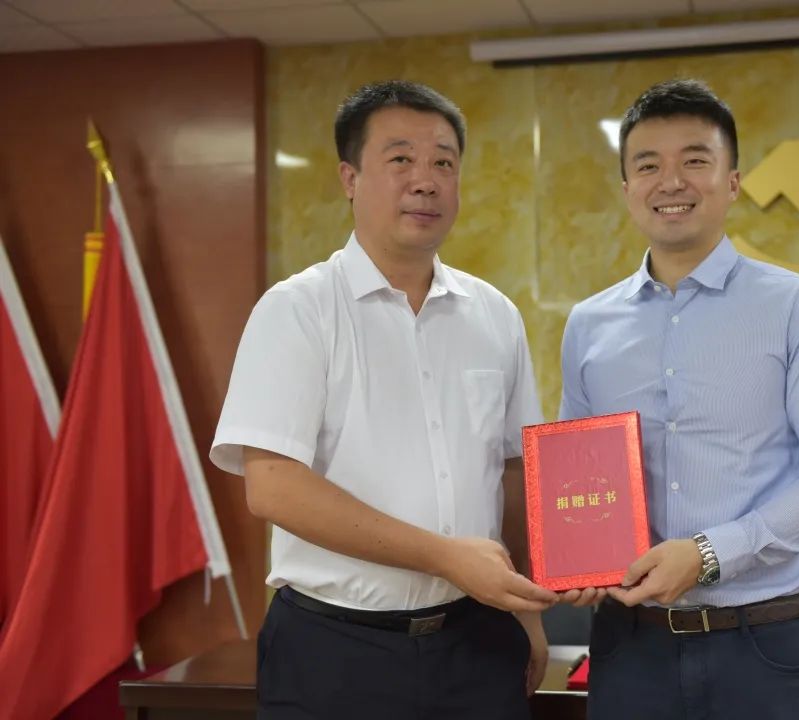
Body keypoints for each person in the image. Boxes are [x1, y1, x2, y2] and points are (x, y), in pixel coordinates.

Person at [211, 80, 557, 720]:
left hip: (478, 643)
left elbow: (512, 471)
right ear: (350, 178)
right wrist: (445, 557)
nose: (425, 181)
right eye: (401, 159)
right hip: (336, 650)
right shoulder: (297, 310)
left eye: (444, 163)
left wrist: (526, 610)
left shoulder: (495, 315)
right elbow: (273, 488)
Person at [558, 79, 799, 719]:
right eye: (648, 165)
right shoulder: (588, 324)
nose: (671, 182)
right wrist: (579, 560)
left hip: (766, 644)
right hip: (630, 648)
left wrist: (708, 554)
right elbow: (580, 473)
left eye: (695, 160)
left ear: (732, 182)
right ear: (627, 187)